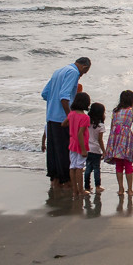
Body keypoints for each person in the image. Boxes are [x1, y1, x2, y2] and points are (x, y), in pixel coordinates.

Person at [41, 57, 91, 187]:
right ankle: (67, 182)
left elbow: (45, 94)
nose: (81, 76)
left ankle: (54, 180)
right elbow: (64, 96)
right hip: (62, 118)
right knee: (64, 152)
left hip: (51, 116)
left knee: (53, 153)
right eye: (83, 73)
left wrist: (53, 105)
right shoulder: (73, 72)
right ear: (84, 67)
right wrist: (70, 117)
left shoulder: (58, 71)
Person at [104, 90, 133, 196]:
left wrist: (111, 143)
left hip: (115, 139)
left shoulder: (115, 111)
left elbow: (112, 127)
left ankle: (121, 189)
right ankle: (130, 190)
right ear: (132, 100)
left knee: (119, 165)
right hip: (126, 140)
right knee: (128, 164)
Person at [64, 92, 91, 199]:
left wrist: (72, 125)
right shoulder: (85, 117)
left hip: (72, 143)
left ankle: (75, 191)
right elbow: (80, 133)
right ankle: (81, 190)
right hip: (80, 145)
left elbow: (63, 123)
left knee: (72, 166)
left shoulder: (71, 114)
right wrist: (83, 150)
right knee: (79, 167)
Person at [84, 102, 106, 194]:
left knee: (88, 168)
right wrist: (104, 151)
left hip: (87, 149)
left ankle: (87, 187)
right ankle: (98, 186)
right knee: (97, 168)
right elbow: (100, 140)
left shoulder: (87, 123)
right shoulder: (101, 126)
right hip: (96, 150)